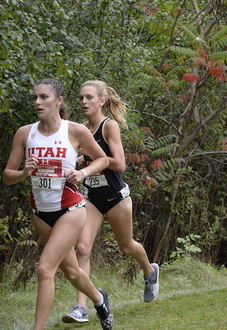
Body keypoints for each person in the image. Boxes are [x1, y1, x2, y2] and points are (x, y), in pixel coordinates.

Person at [3, 79, 114, 330]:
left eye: (43, 97)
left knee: (44, 269)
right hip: (41, 212)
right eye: (35, 98)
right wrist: (23, 173)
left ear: (59, 101)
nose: (37, 102)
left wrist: (82, 174)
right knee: (72, 272)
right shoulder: (25, 132)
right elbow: (8, 176)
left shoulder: (74, 131)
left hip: (70, 210)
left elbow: (103, 160)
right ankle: (99, 299)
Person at [61, 80, 159, 324]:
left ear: (102, 101)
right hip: (92, 197)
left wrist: (94, 158)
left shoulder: (109, 126)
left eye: (90, 98)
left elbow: (120, 164)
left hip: (116, 197)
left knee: (126, 247)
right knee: (82, 248)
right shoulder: (81, 129)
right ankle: (80, 307)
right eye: (81, 98)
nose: (84, 102)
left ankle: (150, 271)